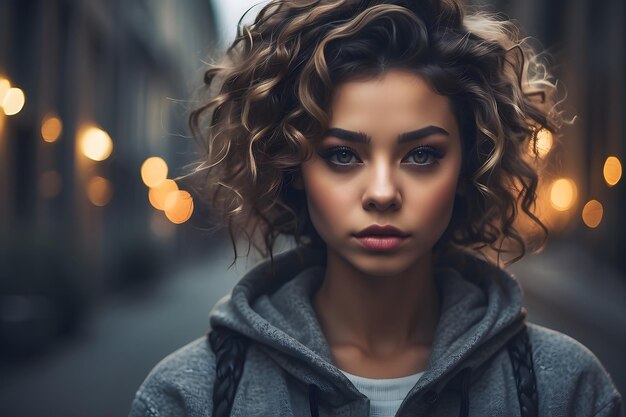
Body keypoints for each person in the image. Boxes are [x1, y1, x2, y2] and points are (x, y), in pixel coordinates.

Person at [128, 0, 624, 416]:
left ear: (468, 165)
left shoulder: (565, 390)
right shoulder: (191, 396)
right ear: (294, 168)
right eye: (342, 155)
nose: (383, 192)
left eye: (422, 154)